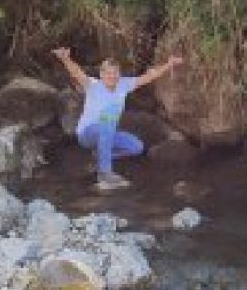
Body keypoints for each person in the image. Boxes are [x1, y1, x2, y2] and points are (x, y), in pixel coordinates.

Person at [52, 46, 184, 190]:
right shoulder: (93, 85)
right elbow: (77, 73)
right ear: (101, 74)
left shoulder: (124, 85)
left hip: (108, 133)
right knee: (107, 122)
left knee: (136, 147)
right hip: (87, 134)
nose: (112, 76)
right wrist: (65, 58)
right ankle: (105, 174)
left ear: (119, 74)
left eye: (115, 73)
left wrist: (169, 64)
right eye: (108, 73)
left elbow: (149, 77)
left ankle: (101, 155)